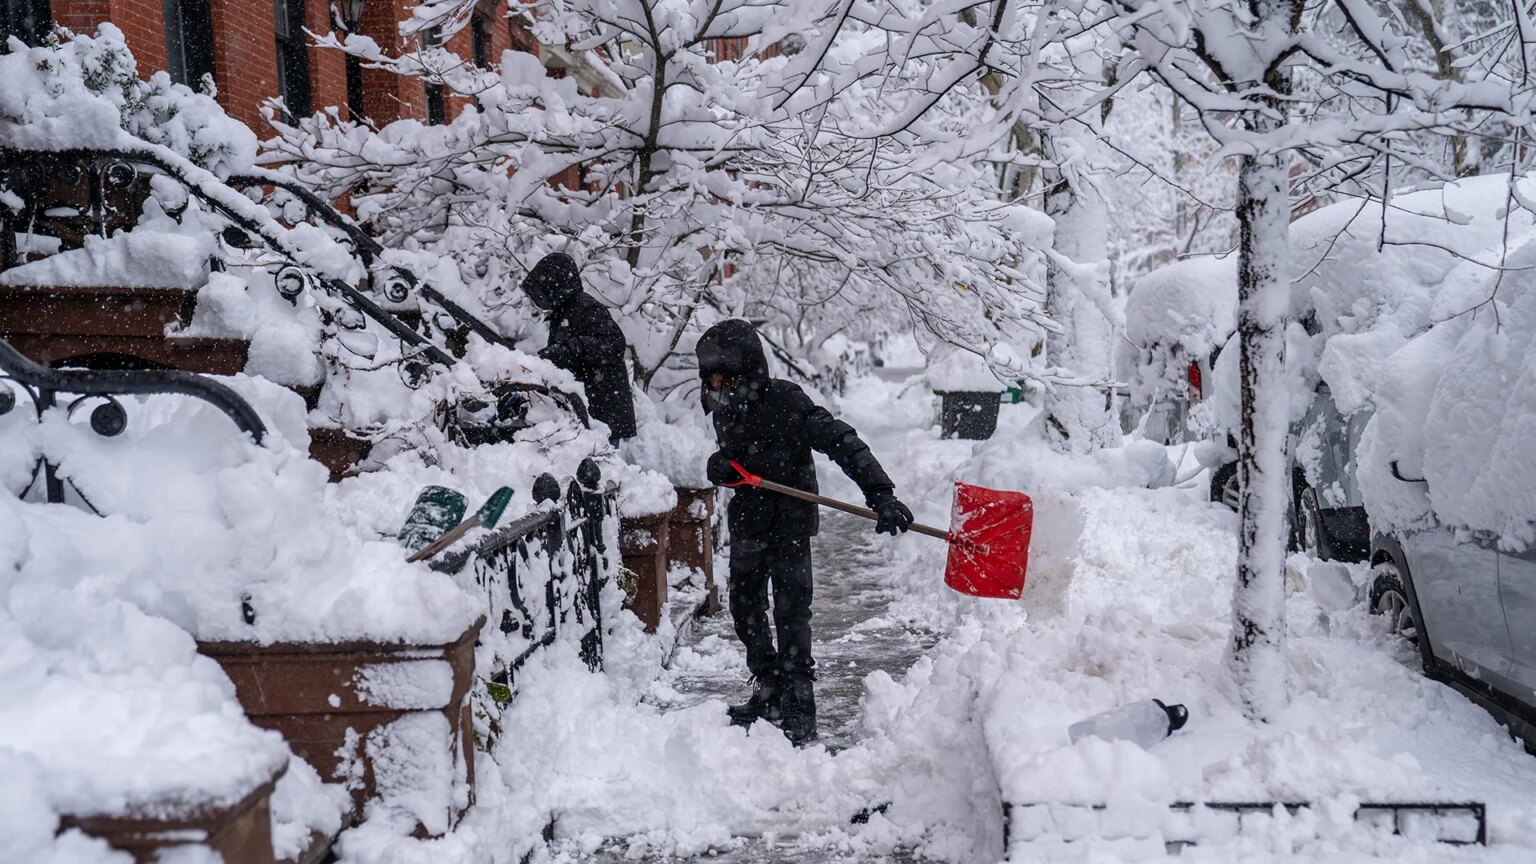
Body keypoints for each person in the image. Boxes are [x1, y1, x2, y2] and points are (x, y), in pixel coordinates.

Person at [696, 319, 914, 746]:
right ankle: (769, 687)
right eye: (708, 374)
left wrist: (881, 493)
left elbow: (841, 440)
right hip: (748, 522)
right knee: (745, 608)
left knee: (792, 613)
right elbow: (732, 462)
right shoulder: (725, 406)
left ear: (742, 365)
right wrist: (718, 468)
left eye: (718, 370)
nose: (713, 381)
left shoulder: (785, 400)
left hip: (790, 523)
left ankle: (799, 702)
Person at [521, 252, 637, 442]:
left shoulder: (586, 308)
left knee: (600, 467)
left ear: (555, 287)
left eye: (542, 293)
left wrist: (572, 349)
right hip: (592, 408)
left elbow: (614, 343)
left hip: (604, 409)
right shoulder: (563, 312)